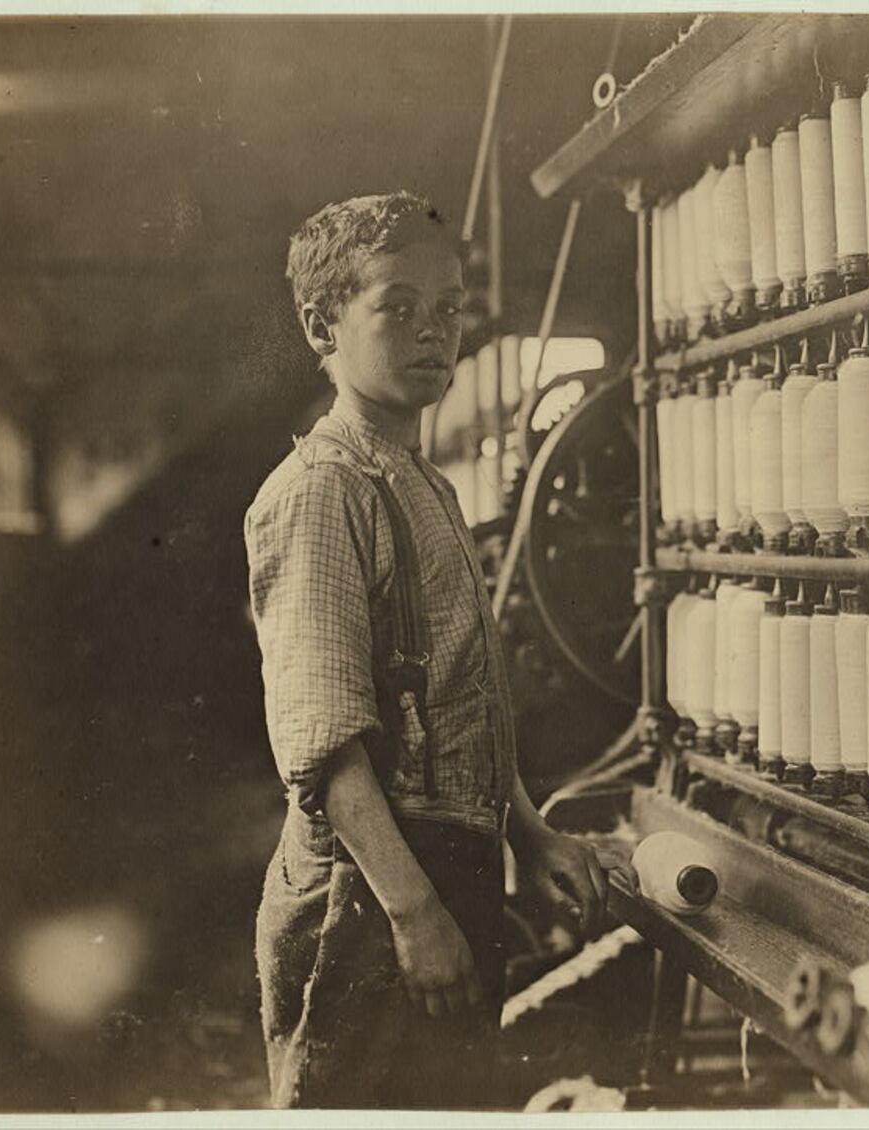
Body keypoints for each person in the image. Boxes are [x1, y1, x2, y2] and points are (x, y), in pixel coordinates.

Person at [246, 191, 609, 1109]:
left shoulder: (421, 485)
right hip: (364, 893)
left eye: (447, 310)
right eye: (397, 307)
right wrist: (413, 918)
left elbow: (456, 699)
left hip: (442, 868)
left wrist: (529, 833)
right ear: (323, 325)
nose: (432, 333)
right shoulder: (324, 490)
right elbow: (324, 744)